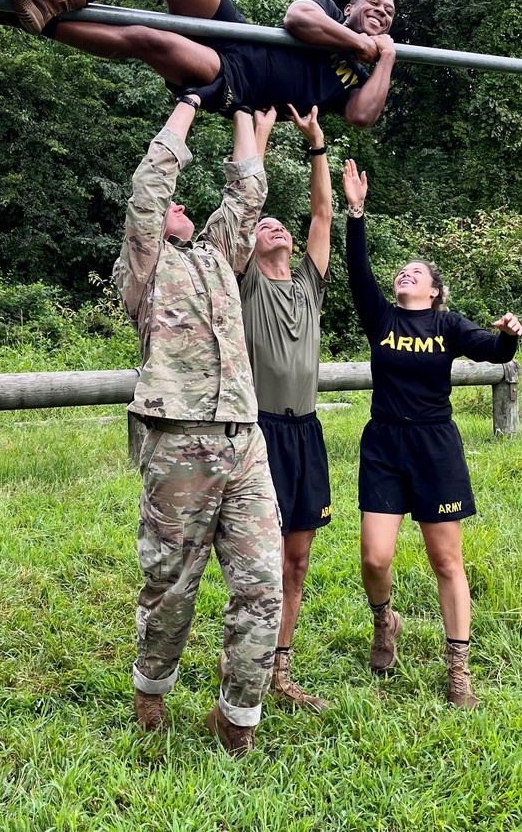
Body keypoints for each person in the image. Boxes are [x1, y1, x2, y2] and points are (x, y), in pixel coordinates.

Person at [112, 95, 282, 758]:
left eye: (187, 206)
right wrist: (188, 101)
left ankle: (237, 718)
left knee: (261, 583)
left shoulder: (217, 256)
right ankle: (151, 688)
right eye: (176, 206)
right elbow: (151, 183)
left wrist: (241, 103)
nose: (182, 207)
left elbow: (247, 189)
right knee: (171, 583)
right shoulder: (145, 265)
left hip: (244, 436)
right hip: (178, 437)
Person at [341, 158, 522, 709]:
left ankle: (458, 668)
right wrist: (356, 212)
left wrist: (509, 336)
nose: (406, 274)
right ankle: (384, 622)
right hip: (384, 444)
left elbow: (493, 352)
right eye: (403, 270)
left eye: (417, 272)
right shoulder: (382, 319)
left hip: (434, 447)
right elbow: (356, 269)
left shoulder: (447, 325)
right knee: (375, 557)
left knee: (447, 561)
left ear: (435, 291)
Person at [0, 0, 396, 125]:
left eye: (389, 13)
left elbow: (362, 116)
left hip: (237, 82)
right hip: (238, 32)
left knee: (148, 38)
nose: (381, 11)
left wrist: (387, 57)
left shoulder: (361, 82)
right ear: (351, 8)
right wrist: (360, 44)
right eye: (373, 3)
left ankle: (27, 16)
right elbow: (296, 20)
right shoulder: (326, 13)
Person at [237, 104, 334, 710]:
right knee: (260, 559)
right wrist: (264, 137)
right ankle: (240, 654)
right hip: (260, 432)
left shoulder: (308, 284)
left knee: (296, 558)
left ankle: (279, 669)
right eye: (263, 223)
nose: (273, 225)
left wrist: (317, 143)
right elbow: (247, 201)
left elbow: (323, 212)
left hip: (307, 434)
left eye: (280, 223)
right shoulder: (244, 279)